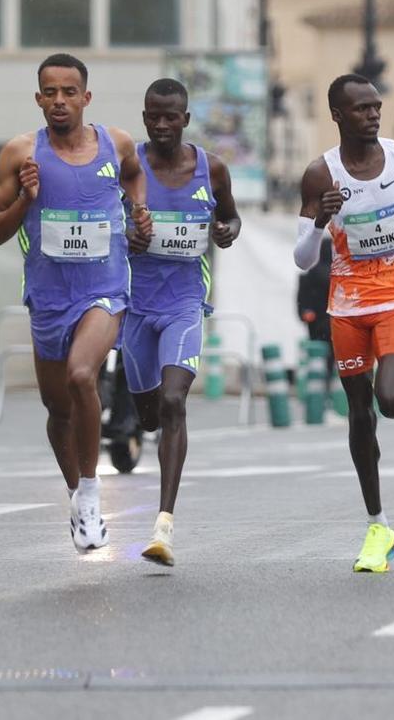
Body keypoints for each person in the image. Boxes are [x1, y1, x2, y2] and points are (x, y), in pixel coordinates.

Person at [293, 74, 394, 574]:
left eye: (376, 107)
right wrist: (320, 223)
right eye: (361, 109)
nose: (372, 115)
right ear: (338, 116)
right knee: (360, 414)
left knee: (392, 402)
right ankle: (378, 524)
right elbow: (302, 260)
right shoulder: (319, 176)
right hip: (346, 305)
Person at [0, 54, 149, 553]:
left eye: (69, 92)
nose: (60, 101)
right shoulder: (20, 154)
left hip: (104, 288)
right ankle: (77, 494)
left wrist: (138, 213)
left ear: (86, 97)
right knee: (57, 408)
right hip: (49, 295)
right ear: (39, 99)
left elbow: (134, 173)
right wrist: (26, 201)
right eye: (50, 93)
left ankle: (94, 494)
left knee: (83, 374)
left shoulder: (115, 143)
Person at [126, 78, 241, 566]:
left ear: (186, 119)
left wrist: (225, 230)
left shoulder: (210, 168)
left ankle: (163, 525)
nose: (161, 124)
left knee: (173, 402)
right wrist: (126, 234)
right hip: (132, 305)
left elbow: (232, 219)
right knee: (149, 415)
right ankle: (138, 423)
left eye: (170, 116)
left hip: (184, 302)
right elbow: (105, 222)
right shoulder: (128, 165)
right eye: (153, 115)